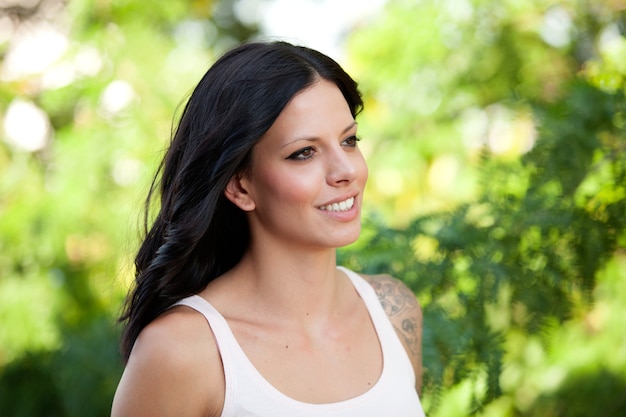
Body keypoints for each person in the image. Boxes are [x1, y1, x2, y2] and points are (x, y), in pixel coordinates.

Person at [111, 41, 425, 417]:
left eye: (349, 140)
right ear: (241, 185)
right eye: (304, 153)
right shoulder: (182, 351)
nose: (347, 172)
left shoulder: (393, 312)